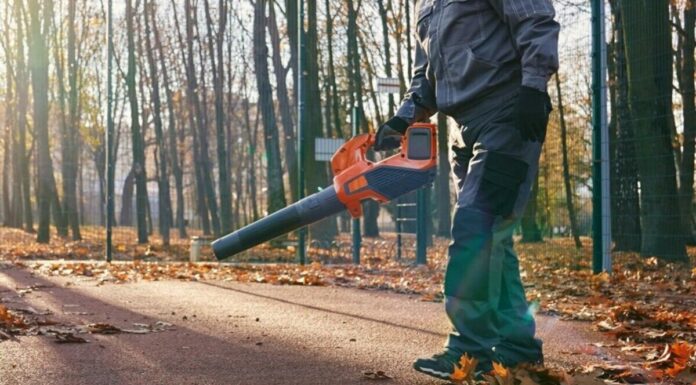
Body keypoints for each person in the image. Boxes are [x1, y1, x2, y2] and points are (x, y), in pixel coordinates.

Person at [373, 0, 559, 380]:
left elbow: (535, 20)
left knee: (476, 228)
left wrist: (534, 87)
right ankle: (518, 349)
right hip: (462, 129)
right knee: (494, 239)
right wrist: (403, 118)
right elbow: (425, 75)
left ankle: (469, 351)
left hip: (508, 115)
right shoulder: (425, 6)